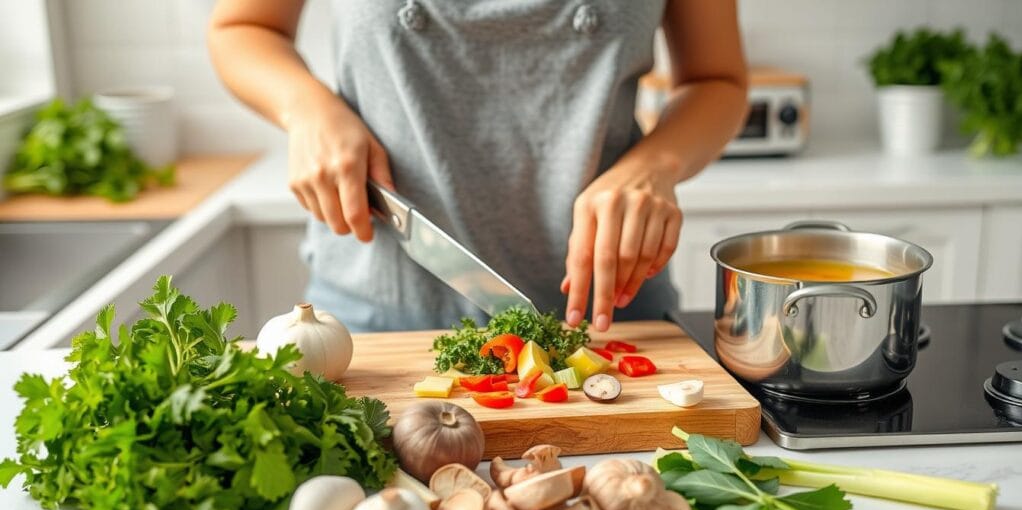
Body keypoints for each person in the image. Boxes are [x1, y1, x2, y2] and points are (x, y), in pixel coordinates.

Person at [209, 1, 747, 333]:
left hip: (609, 314)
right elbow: (243, 25)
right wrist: (306, 109)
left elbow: (716, 80)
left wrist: (654, 165)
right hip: (375, 312)